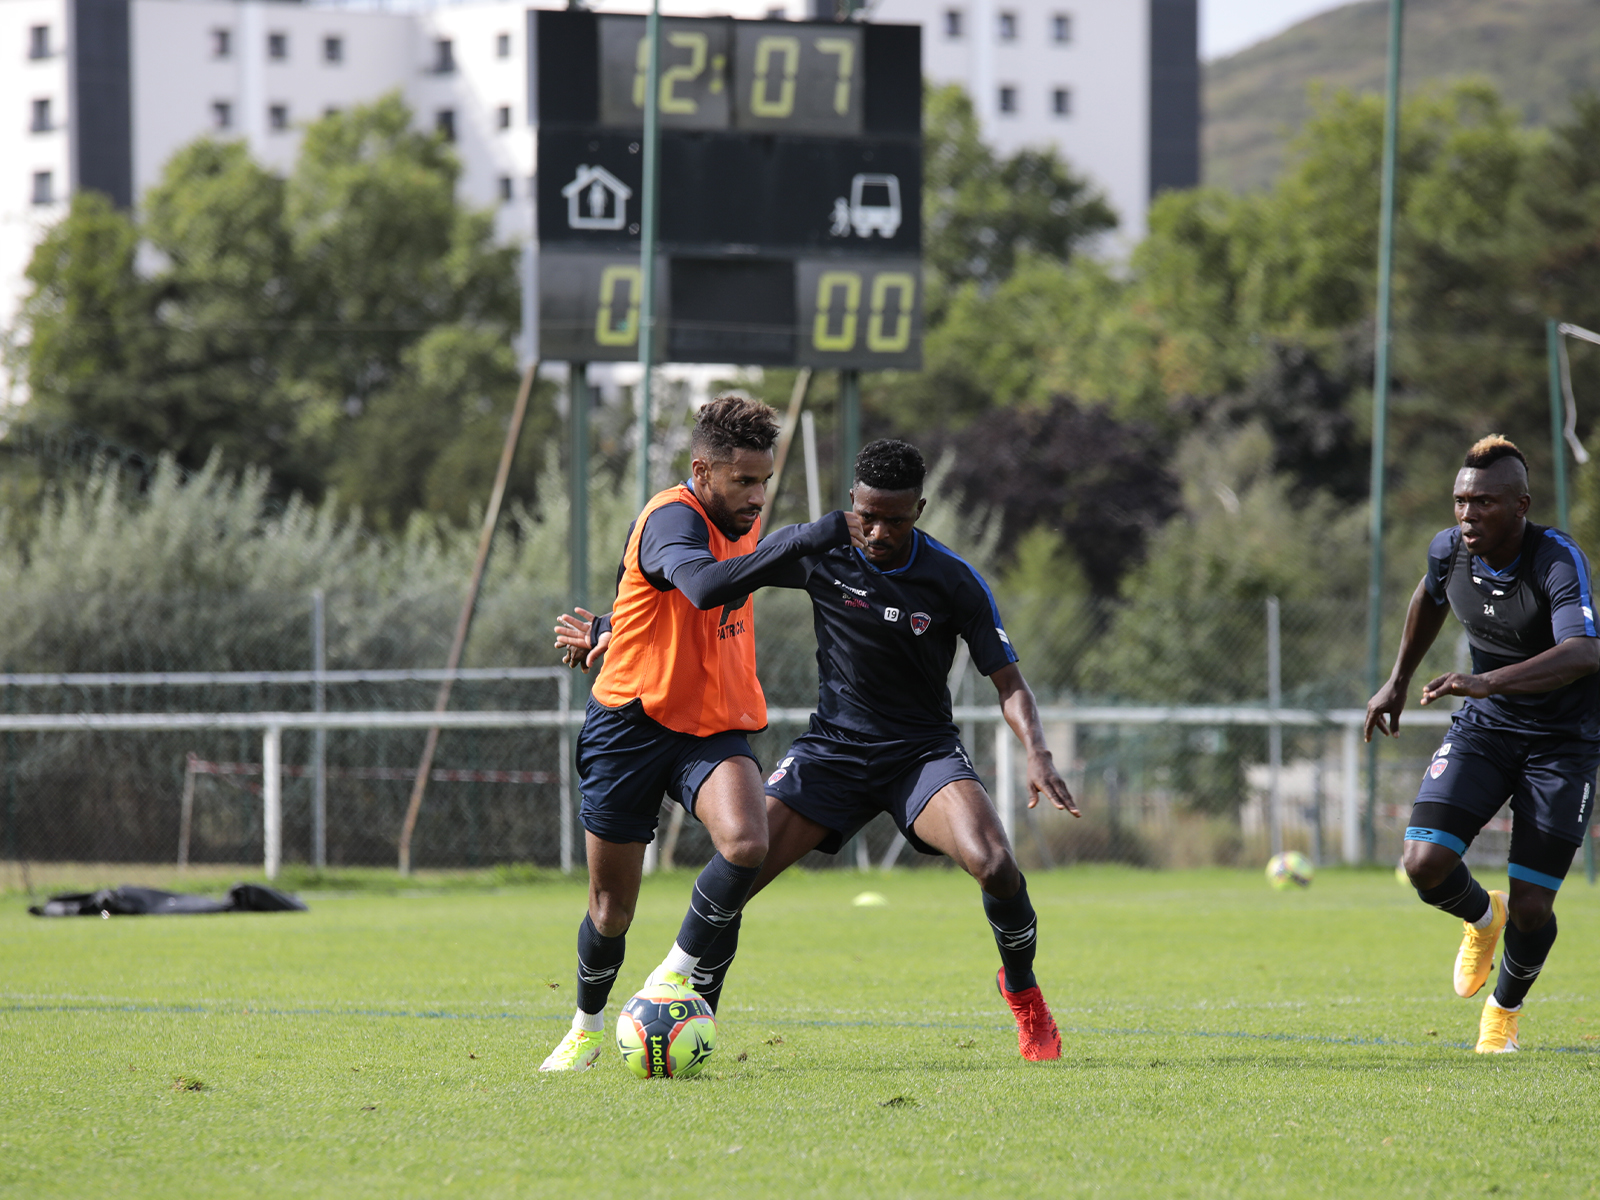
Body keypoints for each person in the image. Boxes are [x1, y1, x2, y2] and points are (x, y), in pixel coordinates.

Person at [566, 439, 1078, 1061]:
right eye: (867, 514)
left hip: (920, 756)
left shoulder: (952, 579)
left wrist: (1039, 753)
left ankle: (1023, 992)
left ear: (920, 507)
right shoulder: (821, 553)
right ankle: (691, 1017)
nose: (878, 530)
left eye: (895, 518)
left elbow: (1009, 682)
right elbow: (705, 585)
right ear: (852, 503)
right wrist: (610, 631)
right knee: (739, 872)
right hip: (830, 753)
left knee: (993, 861)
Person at [538, 394, 865, 1072]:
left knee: (748, 841)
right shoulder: (671, 520)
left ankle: (674, 977)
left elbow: (651, 601)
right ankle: (585, 1026)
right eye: (745, 481)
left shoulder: (743, 521)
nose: (757, 496)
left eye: (766, 481)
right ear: (703, 470)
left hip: (710, 729)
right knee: (610, 910)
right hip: (628, 728)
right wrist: (807, 535)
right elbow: (703, 587)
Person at [1365, 435, 1600, 1053]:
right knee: (1423, 864)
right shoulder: (1449, 550)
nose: (1468, 515)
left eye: (1484, 504)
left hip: (1563, 743)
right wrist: (1396, 681)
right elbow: (1428, 595)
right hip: (1488, 727)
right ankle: (1479, 917)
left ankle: (1502, 1012)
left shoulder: (1556, 558)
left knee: (1532, 907)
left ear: (1520, 505)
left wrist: (1486, 679)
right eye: (1460, 502)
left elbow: (1582, 652)